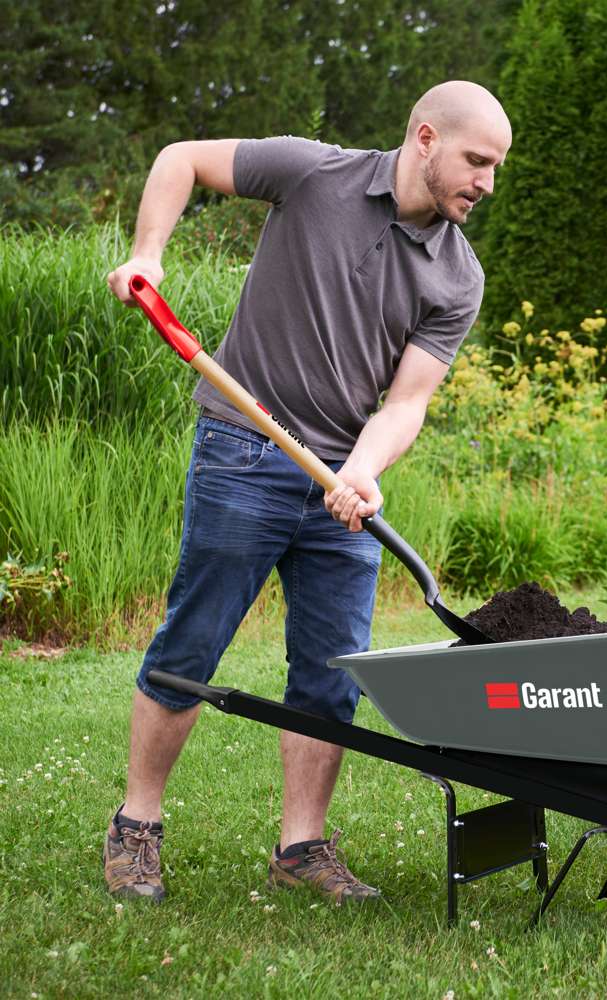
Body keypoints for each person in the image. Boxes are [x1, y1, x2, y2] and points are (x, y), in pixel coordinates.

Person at [103, 81, 512, 905]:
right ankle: (137, 826)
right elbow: (180, 159)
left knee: (330, 676)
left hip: (342, 486)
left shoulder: (457, 276)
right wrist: (149, 252)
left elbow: (407, 402)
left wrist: (364, 471)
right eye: (477, 161)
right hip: (241, 448)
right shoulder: (314, 173)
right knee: (193, 643)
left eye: (498, 168)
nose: (487, 183)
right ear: (426, 138)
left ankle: (301, 847)